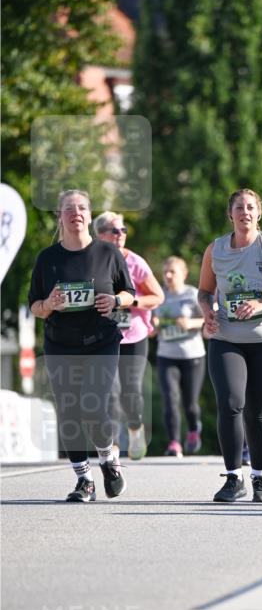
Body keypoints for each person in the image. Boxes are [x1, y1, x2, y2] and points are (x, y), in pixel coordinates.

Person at [28, 189, 135, 501]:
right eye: (69, 209)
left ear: (89, 216)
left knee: (95, 405)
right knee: (69, 411)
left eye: (82, 208)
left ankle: (108, 459)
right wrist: (48, 304)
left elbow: (129, 293)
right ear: (60, 216)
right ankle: (84, 480)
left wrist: (115, 300)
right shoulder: (48, 259)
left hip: (101, 340)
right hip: (61, 343)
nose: (76, 213)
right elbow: (34, 305)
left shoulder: (108, 253)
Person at [198, 188, 262, 502]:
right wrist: (207, 313)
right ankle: (233, 478)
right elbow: (204, 291)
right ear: (230, 214)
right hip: (226, 338)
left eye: (250, 208)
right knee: (229, 403)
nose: (245, 212)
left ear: (259, 214)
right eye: (239, 207)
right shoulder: (215, 250)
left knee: (257, 413)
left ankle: (261, 478)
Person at [93, 212, 164, 460]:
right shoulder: (90, 260)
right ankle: (112, 446)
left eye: (123, 230)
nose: (121, 235)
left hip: (133, 335)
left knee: (130, 392)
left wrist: (130, 300)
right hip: (103, 336)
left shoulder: (135, 262)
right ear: (100, 235)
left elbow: (158, 297)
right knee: (110, 392)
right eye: (115, 231)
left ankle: (135, 428)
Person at [153, 256, 206, 458]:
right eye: (165, 271)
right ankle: (174, 443)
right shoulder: (159, 295)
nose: (167, 275)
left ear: (183, 274)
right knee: (170, 400)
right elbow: (151, 325)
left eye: (172, 271)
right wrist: (155, 324)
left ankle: (193, 430)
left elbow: (209, 318)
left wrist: (190, 324)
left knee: (190, 403)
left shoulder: (192, 294)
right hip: (166, 354)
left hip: (192, 355)